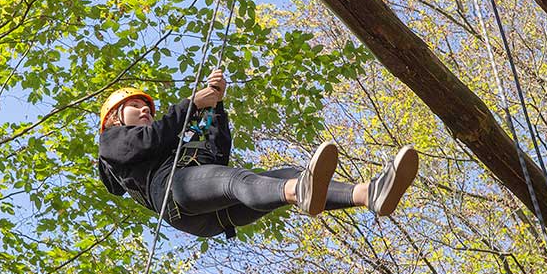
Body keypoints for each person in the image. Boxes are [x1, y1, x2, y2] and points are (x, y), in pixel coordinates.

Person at [97, 69, 419, 239]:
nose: (144, 111)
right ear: (113, 118)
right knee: (242, 180)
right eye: (135, 107)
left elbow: (216, 153)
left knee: (282, 176)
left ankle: (367, 194)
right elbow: (150, 140)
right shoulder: (112, 142)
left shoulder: (168, 139)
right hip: (174, 192)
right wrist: (192, 103)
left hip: (208, 215)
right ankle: (299, 190)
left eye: (147, 108)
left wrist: (215, 104)